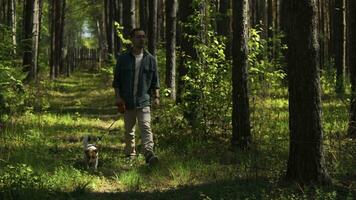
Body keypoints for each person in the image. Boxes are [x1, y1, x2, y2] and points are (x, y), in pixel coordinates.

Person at [112, 28, 160, 165]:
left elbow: (155, 81)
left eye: (143, 37)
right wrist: (118, 97)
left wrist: (156, 97)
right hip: (127, 101)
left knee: (145, 127)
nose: (141, 39)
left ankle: (149, 154)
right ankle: (130, 155)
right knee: (129, 131)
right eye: (138, 37)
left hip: (143, 101)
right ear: (131, 39)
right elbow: (117, 81)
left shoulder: (150, 59)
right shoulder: (123, 58)